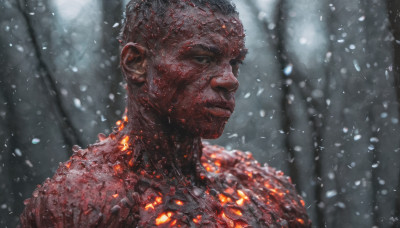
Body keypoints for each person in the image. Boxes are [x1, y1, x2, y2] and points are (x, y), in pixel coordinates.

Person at [20, 0, 311, 227]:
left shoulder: (265, 191)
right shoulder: (86, 199)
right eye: (202, 58)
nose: (230, 80)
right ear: (136, 64)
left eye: (235, 62)